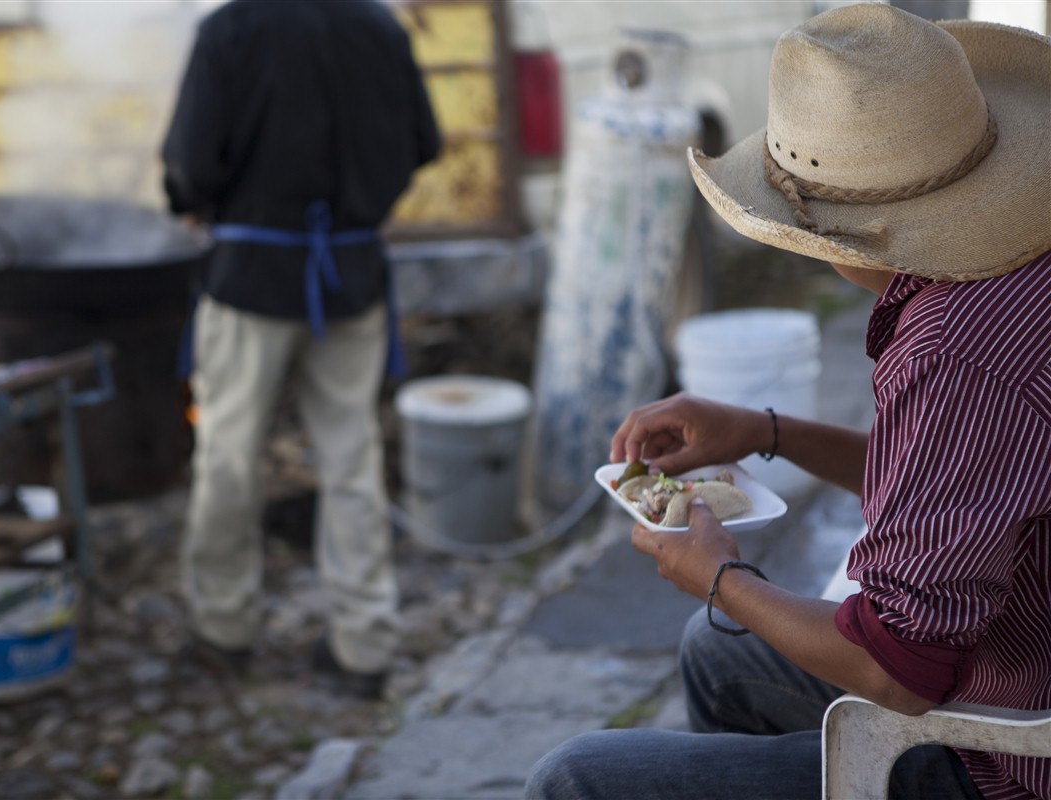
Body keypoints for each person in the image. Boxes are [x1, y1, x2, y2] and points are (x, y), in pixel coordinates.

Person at [526, 4, 1049, 799]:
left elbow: (899, 667)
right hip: (1014, 661)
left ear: (839, 235)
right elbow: (963, 490)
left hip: (1010, 754)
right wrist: (765, 431)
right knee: (720, 649)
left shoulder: (952, 351)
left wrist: (721, 575)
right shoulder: (1016, 269)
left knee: (574, 780)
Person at [160, 0, 440, 698]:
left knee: (228, 455)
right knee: (351, 458)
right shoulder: (378, 24)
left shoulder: (228, 29)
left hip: (250, 280)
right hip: (352, 278)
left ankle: (223, 631)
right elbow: (424, 143)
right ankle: (364, 645)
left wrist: (195, 198)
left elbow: (191, 164)